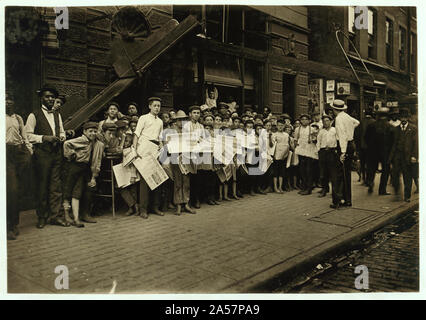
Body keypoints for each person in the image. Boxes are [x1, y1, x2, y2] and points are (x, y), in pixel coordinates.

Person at [25, 85, 67, 229]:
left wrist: (61, 137)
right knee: (42, 186)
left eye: (52, 97)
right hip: (42, 155)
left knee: (56, 186)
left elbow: (62, 131)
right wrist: (44, 138)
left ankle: (55, 216)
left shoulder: (57, 114)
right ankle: (42, 217)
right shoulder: (34, 115)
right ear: (41, 98)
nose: (50, 99)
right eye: (47, 96)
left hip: (56, 154)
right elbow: (28, 135)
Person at [62, 122, 101, 227]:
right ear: (84, 132)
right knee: (68, 190)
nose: (93, 133)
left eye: (94, 131)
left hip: (83, 169)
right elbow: (66, 144)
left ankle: (76, 218)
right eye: (90, 131)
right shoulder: (82, 140)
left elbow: (97, 160)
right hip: (74, 167)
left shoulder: (95, 143)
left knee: (77, 192)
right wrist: (71, 154)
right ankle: (66, 215)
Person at [6, 91, 33, 240]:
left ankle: (13, 224)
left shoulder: (18, 118)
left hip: (18, 153)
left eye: (10, 99)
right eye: (5, 99)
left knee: (16, 189)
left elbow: (24, 137)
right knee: (11, 189)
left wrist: (28, 150)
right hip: (4, 154)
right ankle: (9, 226)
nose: (8, 102)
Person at [133, 97, 164, 218]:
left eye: (159, 106)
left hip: (155, 150)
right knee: (145, 181)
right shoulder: (143, 118)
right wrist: (135, 150)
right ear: (150, 106)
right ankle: (143, 210)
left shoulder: (160, 121)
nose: (157, 108)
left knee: (156, 179)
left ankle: (155, 207)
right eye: (155, 105)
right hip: (144, 149)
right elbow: (136, 134)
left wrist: (161, 148)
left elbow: (160, 138)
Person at [332, 99, 360, 207]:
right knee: (346, 173)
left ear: (335, 109)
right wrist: (350, 131)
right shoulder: (347, 116)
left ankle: (339, 200)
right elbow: (357, 122)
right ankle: (348, 199)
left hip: (343, 146)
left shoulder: (338, 118)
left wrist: (342, 152)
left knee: (339, 173)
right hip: (351, 144)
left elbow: (342, 135)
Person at [169, 111, 197, 215]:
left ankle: (186, 203)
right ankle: (178, 205)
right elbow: (167, 146)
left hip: (186, 158)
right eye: (179, 120)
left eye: (183, 120)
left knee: (186, 182)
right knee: (178, 182)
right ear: (175, 121)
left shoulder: (187, 132)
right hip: (175, 159)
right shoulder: (171, 131)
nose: (181, 122)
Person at [389, 108, 418, 203]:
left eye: (405, 117)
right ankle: (397, 193)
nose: (404, 119)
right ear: (400, 118)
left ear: (408, 118)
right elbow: (392, 144)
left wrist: (414, 156)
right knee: (395, 176)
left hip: (408, 157)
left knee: (407, 177)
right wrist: (391, 157)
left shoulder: (413, 129)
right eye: (402, 117)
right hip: (397, 157)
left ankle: (407, 196)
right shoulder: (395, 129)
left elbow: (416, 143)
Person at [364, 108, 394, 195]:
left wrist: (370, 147)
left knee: (372, 169)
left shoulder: (371, 125)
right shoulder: (390, 127)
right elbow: (393, 141)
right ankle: (382, 190)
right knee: (385, 171)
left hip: (372, 151)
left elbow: (365, 137)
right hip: (385, 152)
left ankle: (370, 182)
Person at [183, 105, 205, 209]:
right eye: (194, 113)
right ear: (190, 114)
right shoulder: (186, 125)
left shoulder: (201, 126)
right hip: (189, 152)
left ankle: (197, 199)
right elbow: (186, 139)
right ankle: (189, 200)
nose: (196, 115)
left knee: (199, 177)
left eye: (198, 113)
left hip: (199, 153)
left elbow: (203, 139)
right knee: (190, 177)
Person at [294, 114, 318, 195]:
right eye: (302, 119)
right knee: (302, 169)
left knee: (309, 169)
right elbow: (295, 139)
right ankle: (304, 186)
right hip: (301, 150)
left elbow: (316, 139)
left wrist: (314, 139)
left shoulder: (312, 129)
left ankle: (309, 188)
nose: (304, 121)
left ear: (309, 121)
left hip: (309, 150)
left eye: (306, 119)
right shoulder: (298, 129)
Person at [316, 114, 338, 199]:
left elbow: (338, 139)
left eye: (327, 121)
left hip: (332, 152)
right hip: (323, 152)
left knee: (332, 172)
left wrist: (335, 149)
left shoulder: (335, 130)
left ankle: (334, 191)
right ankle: (324, 189)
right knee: (323, 172)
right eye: (324, 121)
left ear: (331, 121)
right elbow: (318, 141)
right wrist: (319, 150)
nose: (325, 122)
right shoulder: (321, 131)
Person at [354, 108, 375, 185]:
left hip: (362, 147)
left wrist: (357, 147)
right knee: (370, 164)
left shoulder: (361, 122)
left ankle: (364, 178)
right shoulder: (374, 122)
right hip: (371, 148)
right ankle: (370, 180)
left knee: (363, 164)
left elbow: (357, 135)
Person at [271, 119, 290, 193]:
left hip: (284, 155)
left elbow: (287, 145)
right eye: (279, 125)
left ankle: (280, 187)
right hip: (276, 155)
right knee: (276, 172)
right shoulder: (274, 134)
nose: (280, 127)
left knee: (282, 172)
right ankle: (275, 187)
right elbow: (272, 146)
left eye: (282, 125)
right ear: (276, 126)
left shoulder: (286, 134)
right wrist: (274, 155)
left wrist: (285, 154)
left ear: (284, 126)